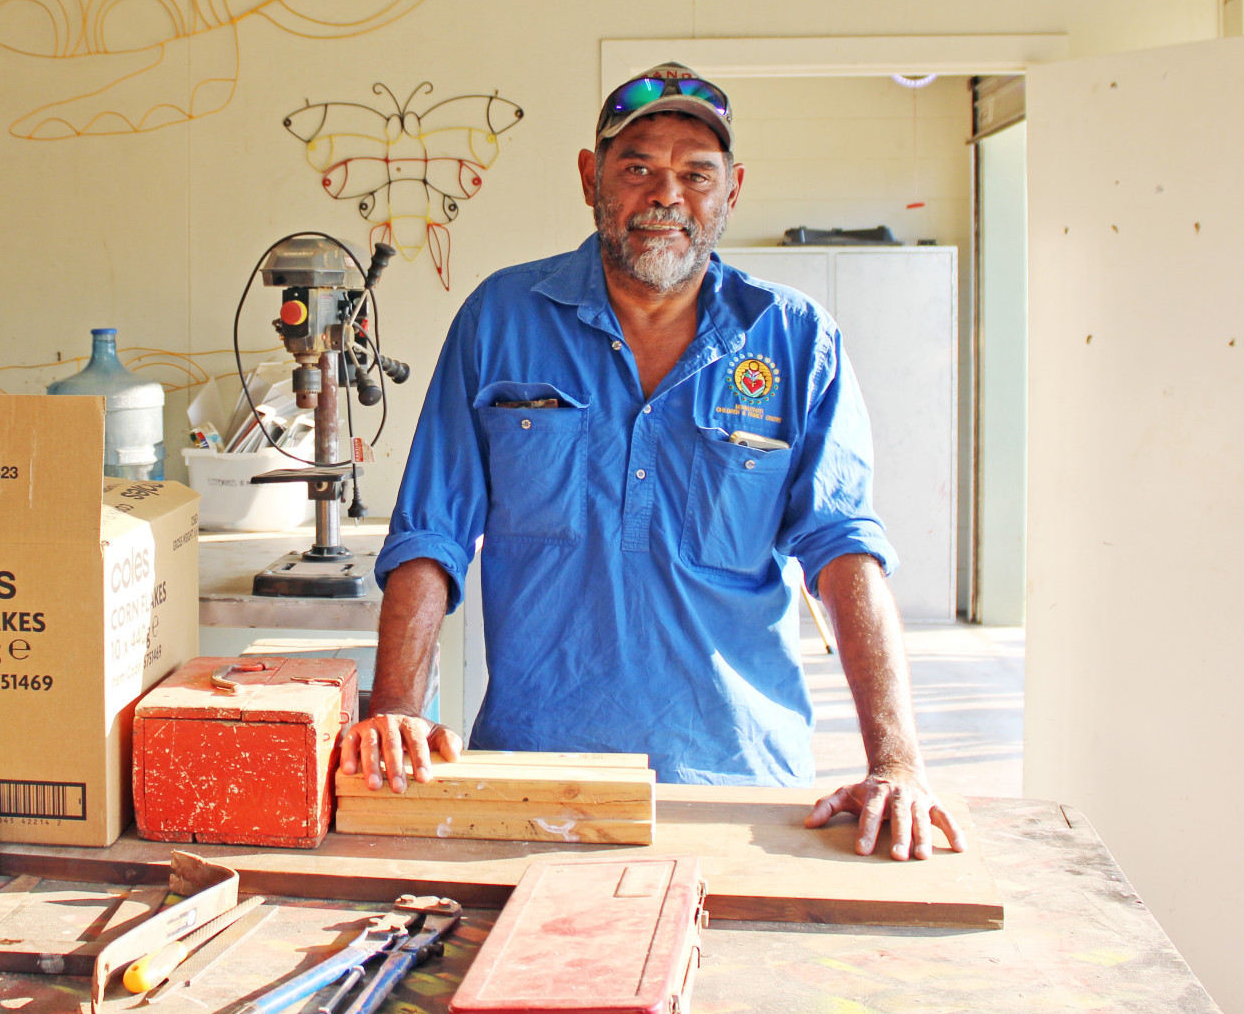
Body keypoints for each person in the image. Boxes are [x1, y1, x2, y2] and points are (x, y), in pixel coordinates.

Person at [339, 63, 963, 861]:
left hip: (742, 788)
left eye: (695, 173)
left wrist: (897, 760)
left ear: (731, 190)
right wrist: (396, 705)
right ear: (590, 178)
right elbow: (430, 531)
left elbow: (844, 553)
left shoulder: (797, 340)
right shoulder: (501, 320)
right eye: (636, 167)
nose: (665, 195)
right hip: (538, 776)